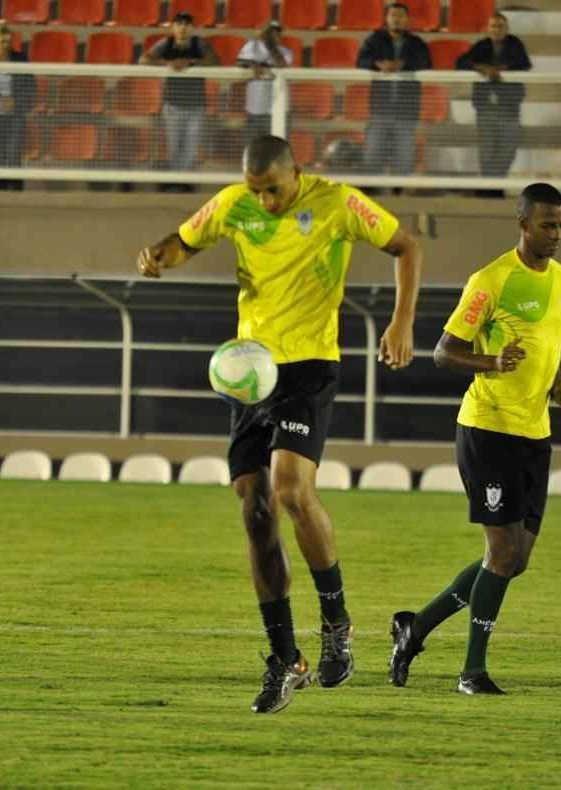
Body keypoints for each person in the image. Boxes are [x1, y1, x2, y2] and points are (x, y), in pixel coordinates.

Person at [135, 136, 422, 714]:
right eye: (256, 190)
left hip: (309, 366)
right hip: (251, 371)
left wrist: (401, 323)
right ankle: (286, 659)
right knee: (255, 510)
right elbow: (184, 240)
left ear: (297, 172)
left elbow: (406, 245)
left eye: (273, 189)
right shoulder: (232, 203)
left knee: (291, 491)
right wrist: (159, 255)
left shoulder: (337, 202)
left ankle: (336, 622)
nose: (264, 201)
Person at [388, 183, 561, 695]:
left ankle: (416, 628)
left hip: (535, 432)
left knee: (515, 560)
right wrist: (492, 361)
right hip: (488, 429)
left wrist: (559, 389)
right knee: (501, 553)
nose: (556, 234)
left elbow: (549, 347)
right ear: (523, 224)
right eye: (548, 225)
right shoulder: (492, 279)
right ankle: (472, 671)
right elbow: (444, 352)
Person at [455, 12, 531, 191]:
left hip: (509, 107)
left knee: (508, 150)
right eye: (493, 26)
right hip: (486, 108)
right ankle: (489, 188)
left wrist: (500, 69)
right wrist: (481, 67)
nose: (496, 30)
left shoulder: (515, 44)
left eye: (500, 26)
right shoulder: (481, 45)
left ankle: (496, 184)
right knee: (487, 150)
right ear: (488, 29)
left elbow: (524, 63)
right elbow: (460, 62)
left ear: (507, 29)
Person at [140, 12, 217, 183]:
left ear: (192, 28)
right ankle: (175, 180)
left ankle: (185, 181)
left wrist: (190, 63)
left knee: (191, 147)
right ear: (173, 27)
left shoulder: (199, 44)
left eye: (186, 24)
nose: (182, 28)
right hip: (172, 105)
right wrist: (168, 64)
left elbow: (214, 62)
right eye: (179, 24)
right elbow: (143, 60)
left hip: (196, 105)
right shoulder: (165, 44)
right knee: (174, 145)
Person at [356, 3, 431, 177]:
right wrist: (378, 64)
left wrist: (402, 64)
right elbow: (361, 61)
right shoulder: (373, 40)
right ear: (386, 18)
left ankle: (399, 189)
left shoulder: (417, 43)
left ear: (407, 19)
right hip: (379, 109)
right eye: (393, 15)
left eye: (401, 16)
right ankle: (374, 189)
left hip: (406, 111)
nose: (397, 19)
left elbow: (425, 62)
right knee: (373, 155)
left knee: (404, 158)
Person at [0, 25, 34, 191]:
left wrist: (16, 101)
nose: (6, 45)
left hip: (16, 115)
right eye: (2, 41)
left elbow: (30, 86)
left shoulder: (21, 59)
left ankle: (15, 191)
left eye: (8, 41)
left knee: (14, 153)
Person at [236, 21, 292, 143]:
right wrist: (252, 64)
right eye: (269, 33)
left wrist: (269, 45)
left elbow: (282, 65)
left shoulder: (286, 52)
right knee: (253, 148)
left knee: (278, 148)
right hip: (255, 108)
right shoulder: (252, 46)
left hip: (279, 109)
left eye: (276, 33)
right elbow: (240, 62)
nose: (272, 36)